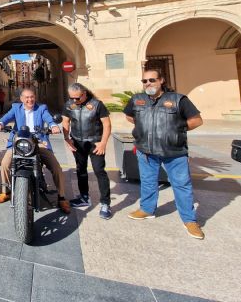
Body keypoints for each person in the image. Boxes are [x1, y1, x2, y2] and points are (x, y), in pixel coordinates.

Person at [124, 69, 205, 239]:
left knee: (182, 185)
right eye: (144, 81)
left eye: (152, 80)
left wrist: (175, 130)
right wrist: (143, 129)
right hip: (146, 151)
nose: (148, 84)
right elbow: (130, 117)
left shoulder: (178, 99)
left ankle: (190, 220)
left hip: (174, 152)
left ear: (161, 80)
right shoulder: (137, 100)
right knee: (147, 181)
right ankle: (147, 209)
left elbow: (196, 120)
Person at [0, 88, 71, 213]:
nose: (30, 100)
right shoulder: (16, 108)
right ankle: (5, 192)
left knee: (56, 167)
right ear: (22, 99)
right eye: (27, 97)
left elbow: (48, 118)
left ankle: (61, 197)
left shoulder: (41, 108)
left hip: (38, 141)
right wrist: (0, 123)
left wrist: (53, 125)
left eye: (32, 97)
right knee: (5, 164)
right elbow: (6, 117)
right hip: (19, 142)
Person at [61, 83, 112, 219]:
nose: (74, 101)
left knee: (99, 171)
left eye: (77, 98)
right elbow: (65, 121)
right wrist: (67, 138)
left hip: (95, 143)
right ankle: (84, 197)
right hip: (77, 143)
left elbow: (107, 124)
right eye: (72, 98)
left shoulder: (97, 104)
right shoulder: (69, 105)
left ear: (84, 93)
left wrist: (103, 143)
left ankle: (105, 204)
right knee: (81, 170)